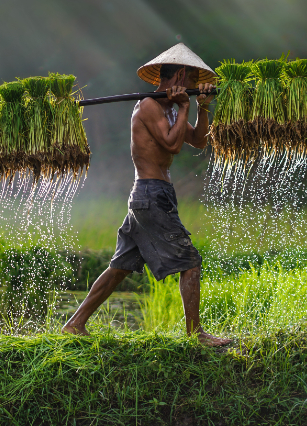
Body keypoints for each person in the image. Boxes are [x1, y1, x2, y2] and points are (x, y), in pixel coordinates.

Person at [62, 44, 231, 347]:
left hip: (150, 195)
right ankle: (196, 335)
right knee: (190, 262)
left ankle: (74, 324)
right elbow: (172, 145)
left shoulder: (167, 107)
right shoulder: (150, 106)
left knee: (120, 267)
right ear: (180, 74)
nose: (193, 86)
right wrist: (185, 108)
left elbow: (196, 141)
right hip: (151, 195)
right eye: (191, 78)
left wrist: (202, 107)